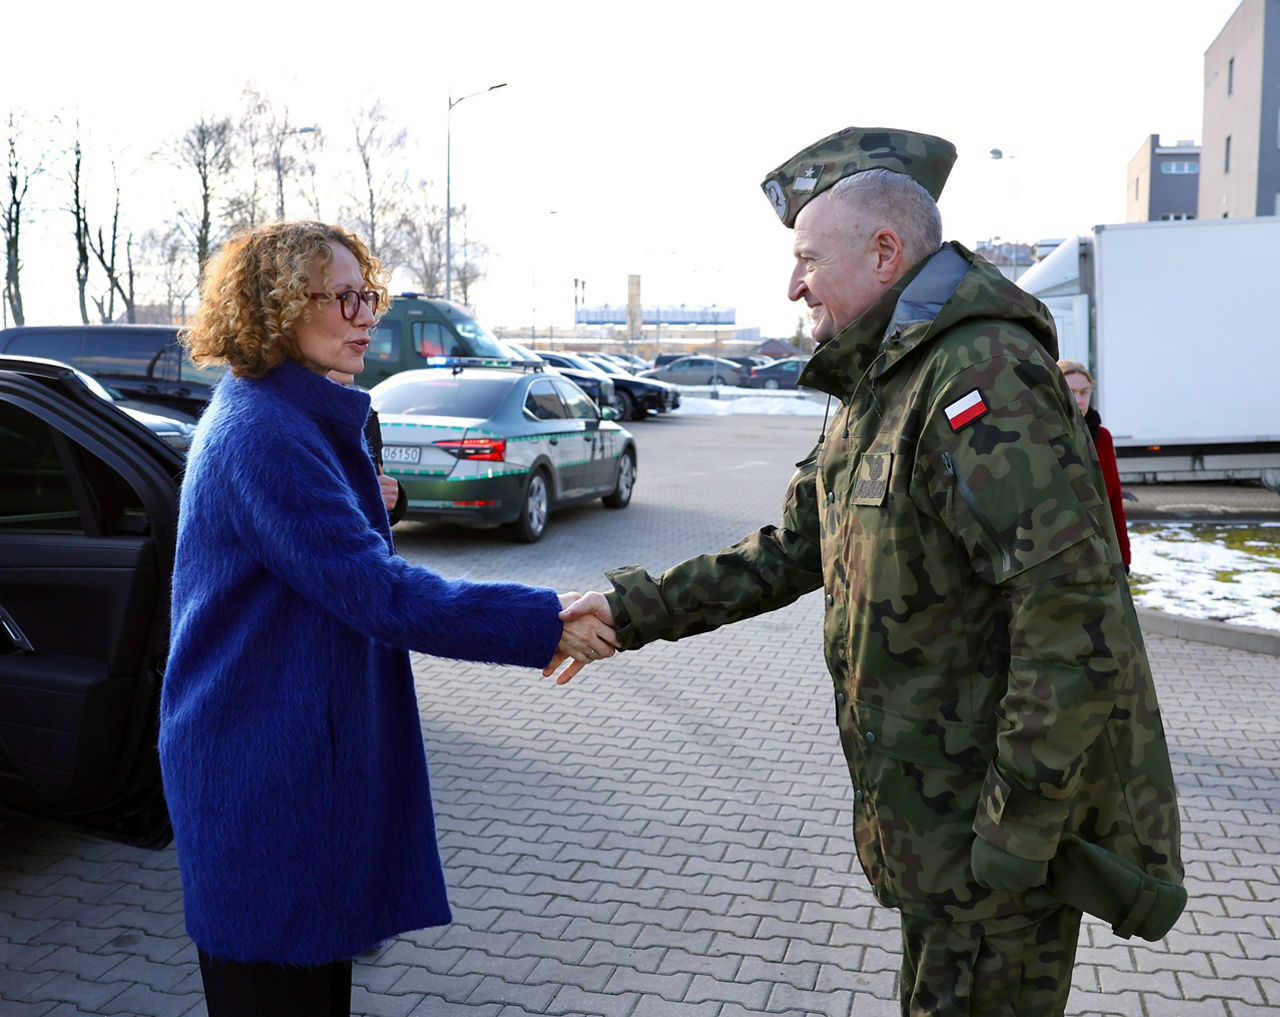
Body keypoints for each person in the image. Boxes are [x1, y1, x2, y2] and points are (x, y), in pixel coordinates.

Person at [559, 128, 1184, 1017]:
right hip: (936, 834)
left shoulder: (980, 373)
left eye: (807, 257)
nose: (793, 284)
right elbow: (791, 547)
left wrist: (1015, 830)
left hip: (991, 851)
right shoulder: (884, 383)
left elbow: (1071, 610)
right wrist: (631, 609)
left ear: (884, 252)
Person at [160, 220, 614, 1017]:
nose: (366, 313)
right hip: (262, 779)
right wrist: (542, 617)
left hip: (290, 762)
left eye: (368, 292)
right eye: (343, 297)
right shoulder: (263, 432)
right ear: (274, 308)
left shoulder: (288, 414)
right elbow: (379, 592)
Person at [1057, 358, 1131, 570]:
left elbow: (1114, 502)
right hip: (1061, 562)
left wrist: (1124, 559)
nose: (1079, 400)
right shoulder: (1043, 437)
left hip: (1102, 556)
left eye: (1085, 392)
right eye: (1071, 392)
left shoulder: (1103, 438)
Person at [328, 369, 407, 525]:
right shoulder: (277, 413)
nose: (365, 344)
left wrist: (393, 501)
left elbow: (375, 492)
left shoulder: (363, 413)